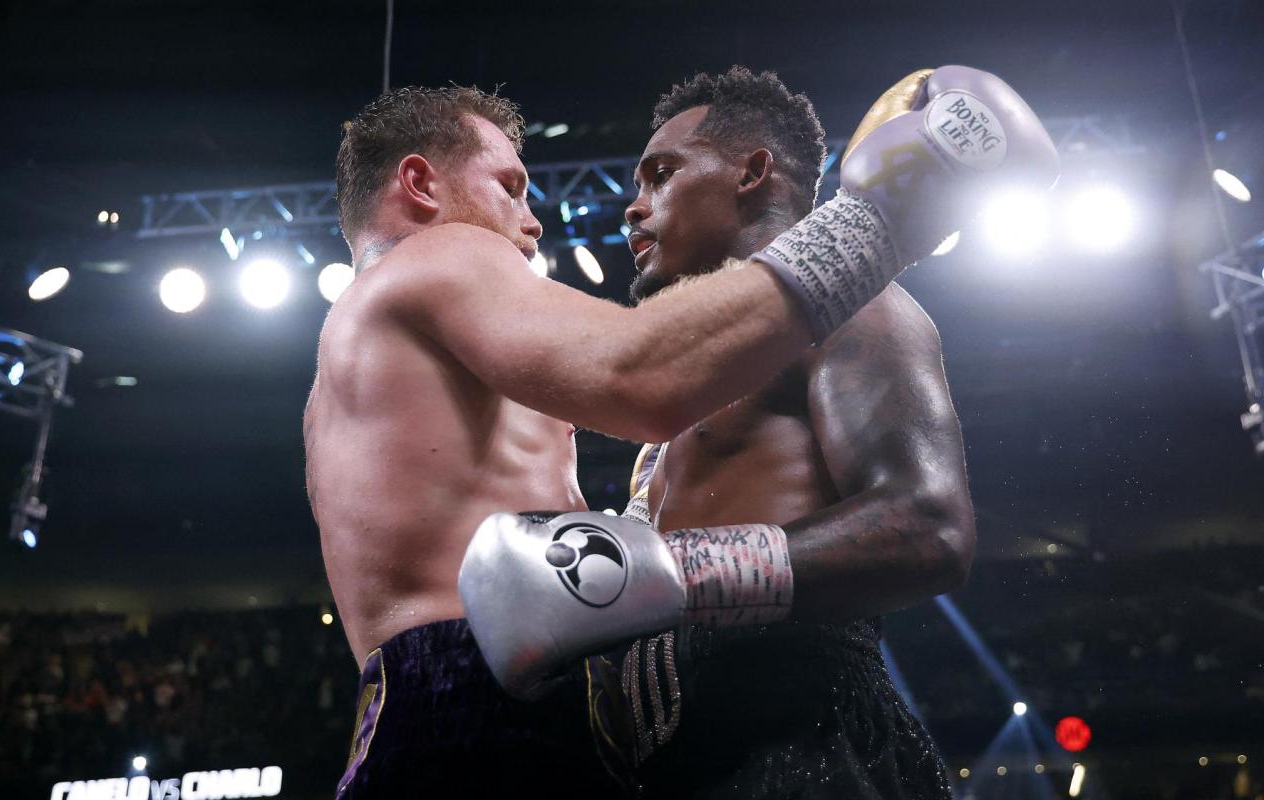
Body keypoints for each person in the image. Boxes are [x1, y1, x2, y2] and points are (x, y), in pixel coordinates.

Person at [307, 71, 1038, 797]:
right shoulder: (444, 256)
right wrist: (877, 221)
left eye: (661, 175)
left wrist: (669, 572)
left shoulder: (858, 315)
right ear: (420, 185)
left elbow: (931, 526)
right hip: (494, 714)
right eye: (510, 186)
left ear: (751, 173)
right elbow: (639, 375)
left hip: (789, 729)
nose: (533, 223)